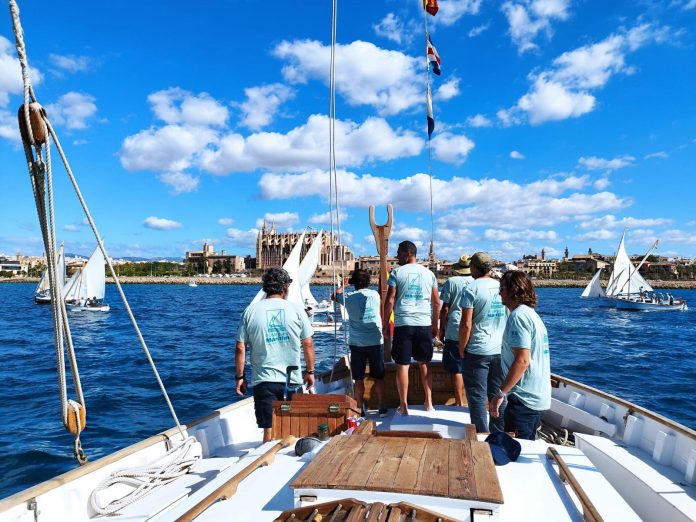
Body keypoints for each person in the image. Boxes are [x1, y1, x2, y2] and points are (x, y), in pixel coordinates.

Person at [235, 267, 316, 442]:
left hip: (264, 380)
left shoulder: (250, 311)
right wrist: (310, 372)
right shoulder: (297, 310)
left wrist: (240, 377)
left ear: (265, 287)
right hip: (291, 380)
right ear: (285, 288)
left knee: (268, 430)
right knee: (293, 428)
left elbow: (241, 347)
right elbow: (308, 343)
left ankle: (266, 461)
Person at [490, 271, 551, 440]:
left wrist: (500, 394)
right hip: (533, 397)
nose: (499, 293)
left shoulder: (518, 317)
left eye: (502, 288)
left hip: (523, 400)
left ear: (513, 291)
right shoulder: (531, 314)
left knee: (519, 451)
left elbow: (522, 360)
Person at [383, 241, 439, 415]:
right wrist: (435, 325)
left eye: (399, 252)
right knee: (425, 364)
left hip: (404, 324)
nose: (397, 255)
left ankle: (404, 405)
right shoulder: (429, 274)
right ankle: (429, 402)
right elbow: (436, 302)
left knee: (403, 365)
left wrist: (385, 323)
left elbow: (390, 300)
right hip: (424, 324)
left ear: (408, 254)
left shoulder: (396, 273)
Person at [458, 252, 507, 433]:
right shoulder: (501, 286)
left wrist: (462, 348)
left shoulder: (471, 289)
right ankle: (498, 432)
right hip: (500, 349)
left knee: (477, 395)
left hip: (477, 350)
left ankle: (480, 434)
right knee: (498, 394)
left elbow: (466, 324)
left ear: (474, 268)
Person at [334, 269, 387, 417]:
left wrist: (344, 285)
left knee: (358, 378)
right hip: (375, 341)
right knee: (379, 376)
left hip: (357, 342)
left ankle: (359, 408)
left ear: (353, 283)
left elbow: (334, 296)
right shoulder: (375, 295)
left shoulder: (349, 298)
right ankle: (382, 406)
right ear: (368, 282)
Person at [438, 255, 474, 406]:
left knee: (457, 369)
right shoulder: (476, 282)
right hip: (472, 329)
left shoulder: (451, 282)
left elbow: (445, 308)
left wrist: (441, 329)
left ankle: (459, 401)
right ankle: (470, 401)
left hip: (454, 328)